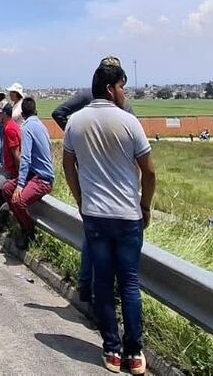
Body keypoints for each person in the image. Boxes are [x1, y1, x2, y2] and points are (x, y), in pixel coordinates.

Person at [63, 62, 157, 375]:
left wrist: (80, 200)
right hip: (127, 217)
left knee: (103, 284)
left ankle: (112, 351)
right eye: (122, 87)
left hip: (95, 217)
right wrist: (145, 205)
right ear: (109, 88)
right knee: (129, 284)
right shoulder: (129, 122)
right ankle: (134, 353)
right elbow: (150, 170)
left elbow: (67, 165)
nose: (125, 92)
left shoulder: (76, 122)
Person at [51, 57, 135, 305]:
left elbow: (59, 113)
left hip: (89, 180)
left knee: (92, 236)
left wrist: (77, 141)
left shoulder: (85, 101)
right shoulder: (123, 109)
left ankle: (86, 287)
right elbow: (142, 161)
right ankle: (99, 296)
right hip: (118, 187)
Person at [1, 97, 55, 249]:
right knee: (6, 189)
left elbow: (25, 157)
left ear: (23, 114)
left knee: (19, 201)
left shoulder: (27, 128)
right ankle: (23, 225)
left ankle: (29, 231)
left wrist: (20, 185)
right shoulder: (41, 125)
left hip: (42, 178)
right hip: (36, 175)